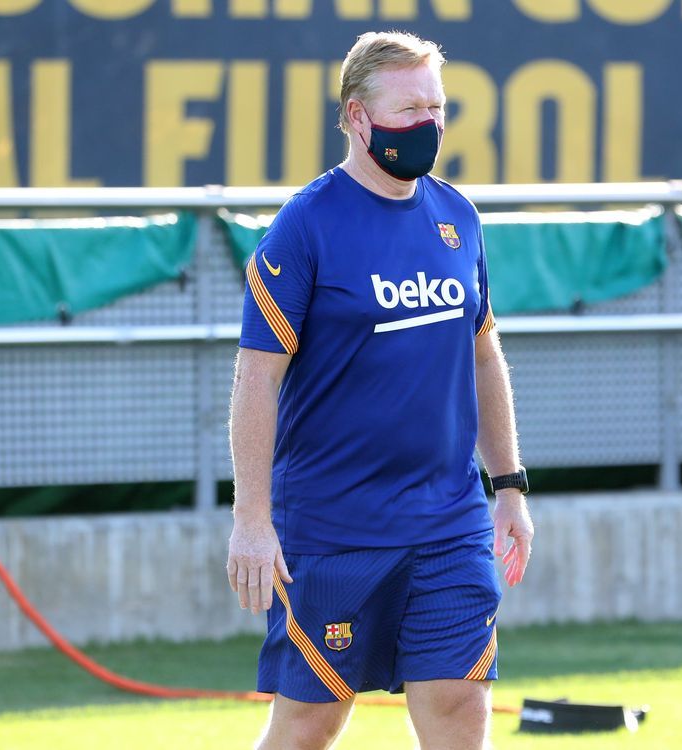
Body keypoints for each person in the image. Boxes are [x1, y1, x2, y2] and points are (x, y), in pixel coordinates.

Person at [225, 31, 533, 750]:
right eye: (407, 110)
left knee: (461, 704)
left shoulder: (457, 216)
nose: (426, 124)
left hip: (448, 521)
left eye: (437, 106)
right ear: (357, 119)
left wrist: (509, 484)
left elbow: (483, 352)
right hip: (332, 529)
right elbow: (256, 375)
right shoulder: (305, 226)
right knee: (308, 725)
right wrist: (251, 519)